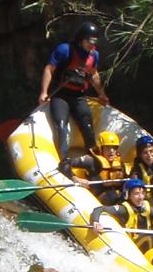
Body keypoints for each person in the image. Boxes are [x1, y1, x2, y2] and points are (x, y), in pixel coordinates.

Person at [38, 21, 110, 165]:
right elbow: (49, 69)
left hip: (78, 96)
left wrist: (101, 94)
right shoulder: (65, 50)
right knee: (62, 126)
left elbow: (94, 75)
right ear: (81, 39)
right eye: (89, 41)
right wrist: (44, 92)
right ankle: (63, 162)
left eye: (94, 42)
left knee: (87, 123)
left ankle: (94, 158)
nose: (92, 45)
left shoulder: (94, 55)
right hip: (61, 94)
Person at [90, 178, 153, 252]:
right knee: (150, 237)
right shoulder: (124, 209)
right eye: (136, 194)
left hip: (146, 241)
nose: (141, 197)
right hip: (132, 245)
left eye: (142, 193)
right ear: (128, 195)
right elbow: (99, 209)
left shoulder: (146, 207)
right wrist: (95, 222)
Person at [60, 131, 130, 205]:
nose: (112, 151)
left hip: (118, 194)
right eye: (108, 148)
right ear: (100, 149)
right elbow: (64, 164)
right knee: (112, 196)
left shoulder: (120, 162)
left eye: (114, 148)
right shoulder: (91, 161)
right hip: (101, 196)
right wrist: (75, 178)